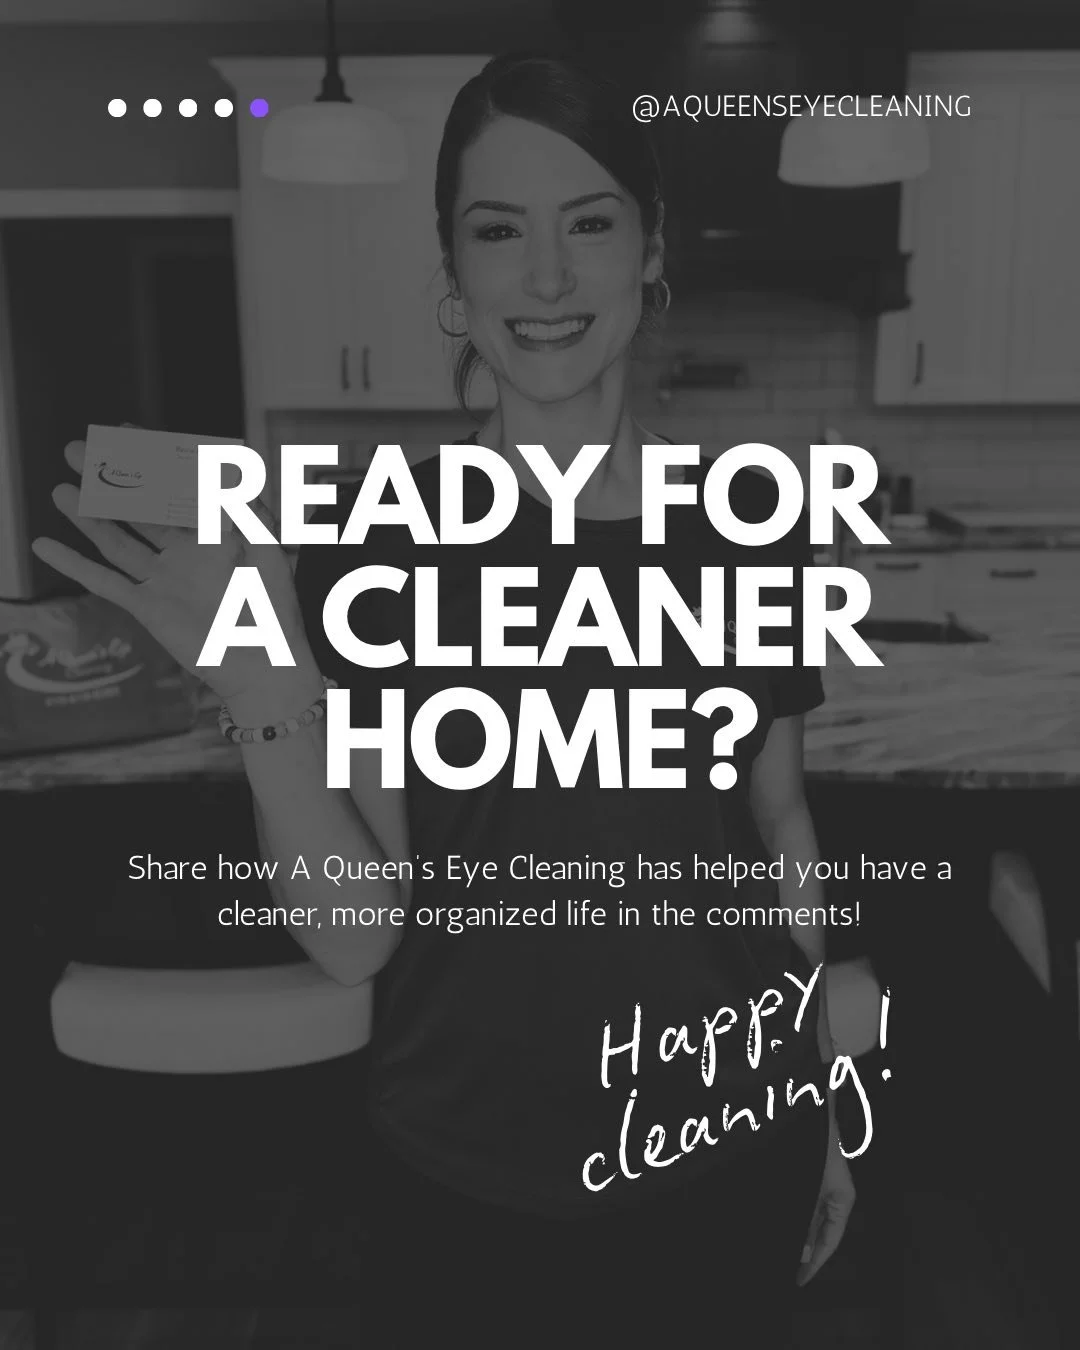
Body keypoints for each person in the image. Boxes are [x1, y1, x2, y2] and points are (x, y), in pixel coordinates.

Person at [35, 52, 854, 1348]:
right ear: (452, 276)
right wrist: (261, 682)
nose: (544, 277)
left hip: (724, 1133)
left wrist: (820, 1099)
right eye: (498, 231)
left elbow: (781, 823)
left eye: (589, 223)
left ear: (653, 249)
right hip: (463, 1166)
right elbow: (362, 932)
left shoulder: (754, 532)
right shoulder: (374, 545)